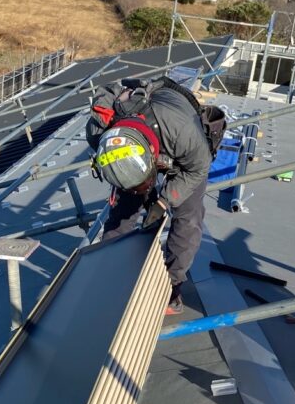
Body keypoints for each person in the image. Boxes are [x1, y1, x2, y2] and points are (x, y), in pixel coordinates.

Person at [86, 76, 218, 315]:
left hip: (183, 155)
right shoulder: (100, 132)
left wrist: (165, 199)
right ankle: (108, 272)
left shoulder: (184, 134)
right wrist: (136, 190)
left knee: (188, 218)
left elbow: (198, 169)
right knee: (122, 211)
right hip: (138, 145)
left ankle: (170, 287)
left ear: (152, 158)